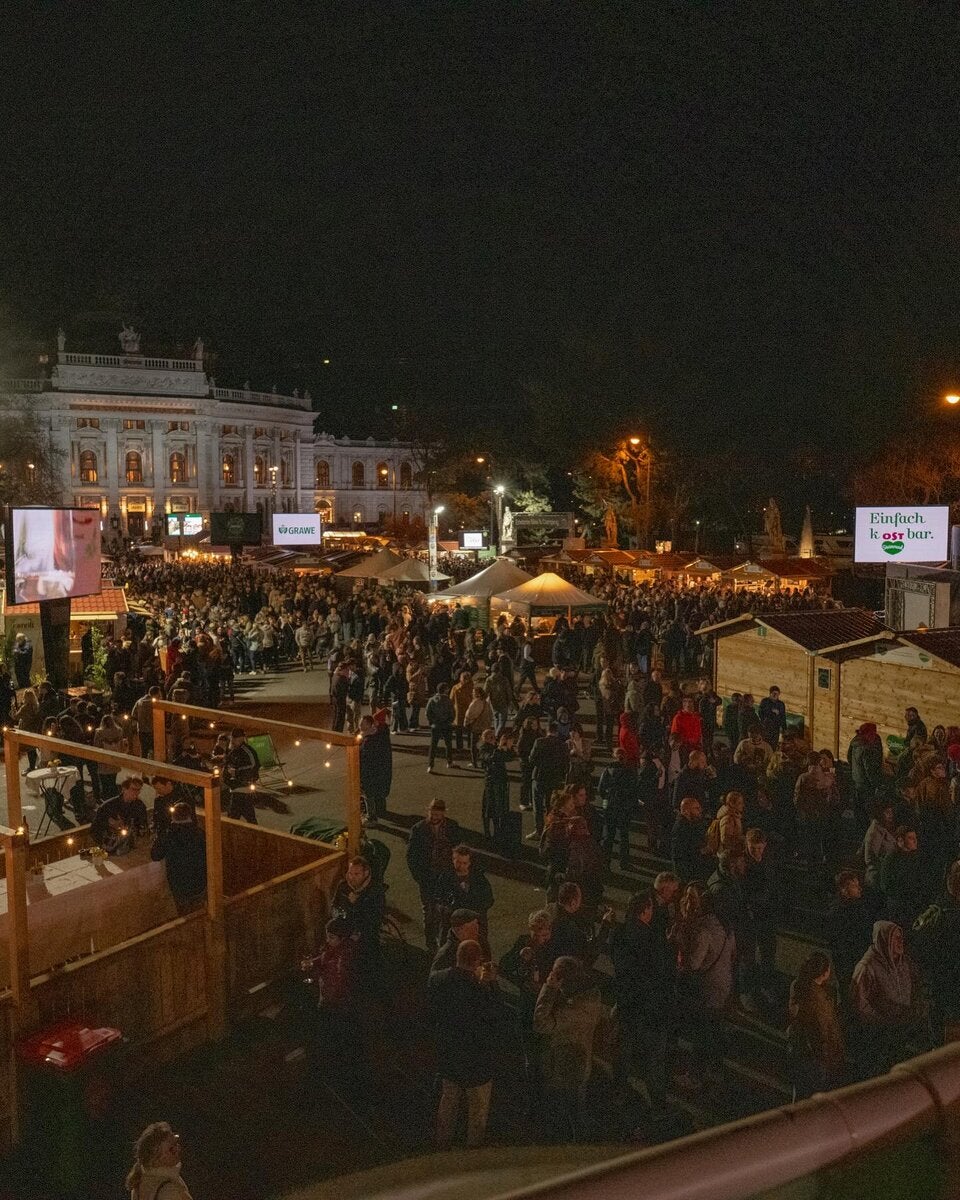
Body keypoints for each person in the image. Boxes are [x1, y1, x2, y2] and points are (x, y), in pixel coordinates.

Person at [429, 939, 503, 1149]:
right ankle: (473, 1148)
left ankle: (442, 1143)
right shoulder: (479, 990)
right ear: (477, 961)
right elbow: (495, 1014)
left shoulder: (438, 980)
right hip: (476, 1058)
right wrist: (490, 983)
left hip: (449, 1052)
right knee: (477, 1108)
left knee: (448, 1101)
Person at [611, 888, 672, 1107]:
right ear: (646, 911)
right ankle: (658, 1102)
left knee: (624, 1049)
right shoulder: (653, 940)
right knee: (654, 1056)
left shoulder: (619, 933)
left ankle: (619, 1089)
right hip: (649, 1005)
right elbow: (661, 974)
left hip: (626, 1000)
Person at [533, 955, 603, 1142]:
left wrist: (548, 990)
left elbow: (541, 1023)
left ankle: (573, 1143)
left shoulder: (574, 1009)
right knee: (576, 1107)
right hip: (579, 1061)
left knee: (568, 1110)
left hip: (566, 1066)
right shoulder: (591, 996)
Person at [673, 883, 735, 1087]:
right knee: (715, 1030)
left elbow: (694, 963)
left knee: (701, 1032)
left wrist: (680, 945)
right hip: (723, 983)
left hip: (708, 988)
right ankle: (716, 1069)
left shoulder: (704, 930)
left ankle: (695, 1076)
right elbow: (733, 955)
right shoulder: (725, 927)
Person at [850, 920, 917, 1075]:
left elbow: (916, 989)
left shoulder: (905, 963)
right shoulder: (867, 967)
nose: (901, 941)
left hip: (900, 1033)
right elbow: (859, 1003)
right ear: (884, 940)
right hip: (876, 1038)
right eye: (896, 938)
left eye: (901, 937)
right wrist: (882, 1021)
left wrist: (912, 1012)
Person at [787, 951, 845, 1098]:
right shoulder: (821, 1000)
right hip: (816, 1057)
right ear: (825, 973)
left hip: (799, 1049)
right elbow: (824, 1032)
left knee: (800, 1090)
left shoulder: (798, 986)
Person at [406, 798, 461, 949]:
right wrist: (419, 877)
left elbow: (458, 848)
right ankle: (431, 943)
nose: (434, 817)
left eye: (437, 814)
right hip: (428, 877)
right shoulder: (418, 829)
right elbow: (411, 856)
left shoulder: (452, 827)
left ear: (443, 814)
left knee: (446, 910)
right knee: (429, 911)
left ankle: (442, 942)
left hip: (446, 875)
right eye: (432, 813)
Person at [331, 856, 386, 983]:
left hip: (365, 934)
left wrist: (355, 903)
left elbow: (374, 918)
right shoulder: (343, 886)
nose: (352, 877)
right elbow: (335, 905)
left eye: (356, 874)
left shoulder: (375, 891)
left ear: (366, 874)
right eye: (350, 873)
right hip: (345, 929)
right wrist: (338, 915)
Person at [436, 844, 495, 949]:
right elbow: (438, 898)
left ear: (469, 863)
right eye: (458, 862)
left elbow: (489, 899)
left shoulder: (479, 878)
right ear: (453, 860)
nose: (461, 866)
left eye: (464, 863)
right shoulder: (445, 877)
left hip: (475, 923)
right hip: (453, 924)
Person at [151, 801, 207, 913]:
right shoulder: (200, 833)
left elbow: (155, 856)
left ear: (172, 816)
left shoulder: (168, 835)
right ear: (190, 815)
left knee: (184, 913)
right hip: (200, 880)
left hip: (178, 882)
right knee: (199, 911)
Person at [125, 1121, 193, 1200]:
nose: (178, 1149)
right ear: (156, 1157)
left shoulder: (138, 1183)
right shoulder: (168, 1189)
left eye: (176, 1144)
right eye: (171, 1149)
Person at [597, 747, 639, 871]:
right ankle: (624, 862)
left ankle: (606, 862)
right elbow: (634, 790)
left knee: (608, 836)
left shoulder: (608, 770)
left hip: (610, 807)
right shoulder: (629, 772)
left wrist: (607, 798)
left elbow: (600, 789)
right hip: (624, 808)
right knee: (624, 836)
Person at [879, 826, 928, 930]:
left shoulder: (916, 857)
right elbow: (886, 885)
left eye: (915, 837)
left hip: (914, 904)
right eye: (910, 838)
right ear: (900, 840)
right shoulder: (891, 859)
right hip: (899, 907)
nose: (915, 841)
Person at [529, 721, 570, 838]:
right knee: (551, 806)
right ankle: (550, 829)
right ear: (557, 732)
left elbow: (532, 759)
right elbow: (566, 764)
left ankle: (538, 830)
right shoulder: (563, 745)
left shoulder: (539, 742)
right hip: (554, 779)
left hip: (540, 777)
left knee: (538, 806)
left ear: (547, 731)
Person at [91, 771, 150, 852]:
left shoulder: (140, 806)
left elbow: (143, 826)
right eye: (133, 789)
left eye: (138, 790)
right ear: (124, 789)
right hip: (110, 846)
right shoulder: (108, 806)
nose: (137, 792)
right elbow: (95, 829)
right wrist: (110, 825)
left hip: (131, 846)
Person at [479, 730, 515, 843]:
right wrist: (500, 747)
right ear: (484, 739)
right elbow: (491, 758)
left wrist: (508, 747)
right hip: (491, 781)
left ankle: (497, 831)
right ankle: (487, 831)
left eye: (493, 737)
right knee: (489, 807)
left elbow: (509, 757)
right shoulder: (483, 749)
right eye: (490, 737)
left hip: (501, 780)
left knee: (499, 807)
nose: (493, 739)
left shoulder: (495, 747)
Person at [359, 712, 392, 827]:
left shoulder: (370, 739)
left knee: (368, 794)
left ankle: (371, 817)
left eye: (362, 724)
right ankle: (381, 810)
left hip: (370, 770)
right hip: (380, 769)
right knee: (378, 791)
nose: (360, 726)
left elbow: (365, 754)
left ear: (371, 724)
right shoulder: (382, 733)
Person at [848, 722, 884, 826]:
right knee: (867, 811)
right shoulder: (867, 748)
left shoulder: (855, 742)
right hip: (866, 785)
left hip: (857, 780)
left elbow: (849, 758)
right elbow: (870, 770)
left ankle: (858, 829)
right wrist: (876, 784)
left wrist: (855, 771)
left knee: (858, 810)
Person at [223, 726, 260, 823]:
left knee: (234, 819)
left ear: (241, 738)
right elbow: (227, 766)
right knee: (248, 818)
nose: (233, 741)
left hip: (243, 789)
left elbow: (254, 767)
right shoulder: (232, 751)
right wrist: (227, 777)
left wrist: (236, 773)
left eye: (235, 738)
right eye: (233, 738)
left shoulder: (247, 751)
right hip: (235, 788)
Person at [863, 799, 897, 890]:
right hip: (877, 878)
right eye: (887, 812)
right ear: (879, 814)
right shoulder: (874, 832)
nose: (890, 815)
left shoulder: (883, 828)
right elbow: (870, 859)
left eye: (891, 812)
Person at [425, 681, 456, 773]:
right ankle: (449, 762)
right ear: (445, 690)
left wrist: (432, 721)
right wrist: (450, 721)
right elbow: (452, 713)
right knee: (448, 744)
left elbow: (427, 713)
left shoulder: (432, 700)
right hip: (446, 724)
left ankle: (430, 765)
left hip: (436, 725)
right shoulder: (448, 700)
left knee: (433, 745)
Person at [758, 686, 787, 750]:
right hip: (766, 727)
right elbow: (760, 713)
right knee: (765, 745)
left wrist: (784, 728)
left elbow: (783, 716)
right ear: (770, 693)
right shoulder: (765, 701)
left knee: (773, 745)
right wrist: (771, 712)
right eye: (774, 693)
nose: (775, 695)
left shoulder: (781, 704)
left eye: (777, 694)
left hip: (775, 729)